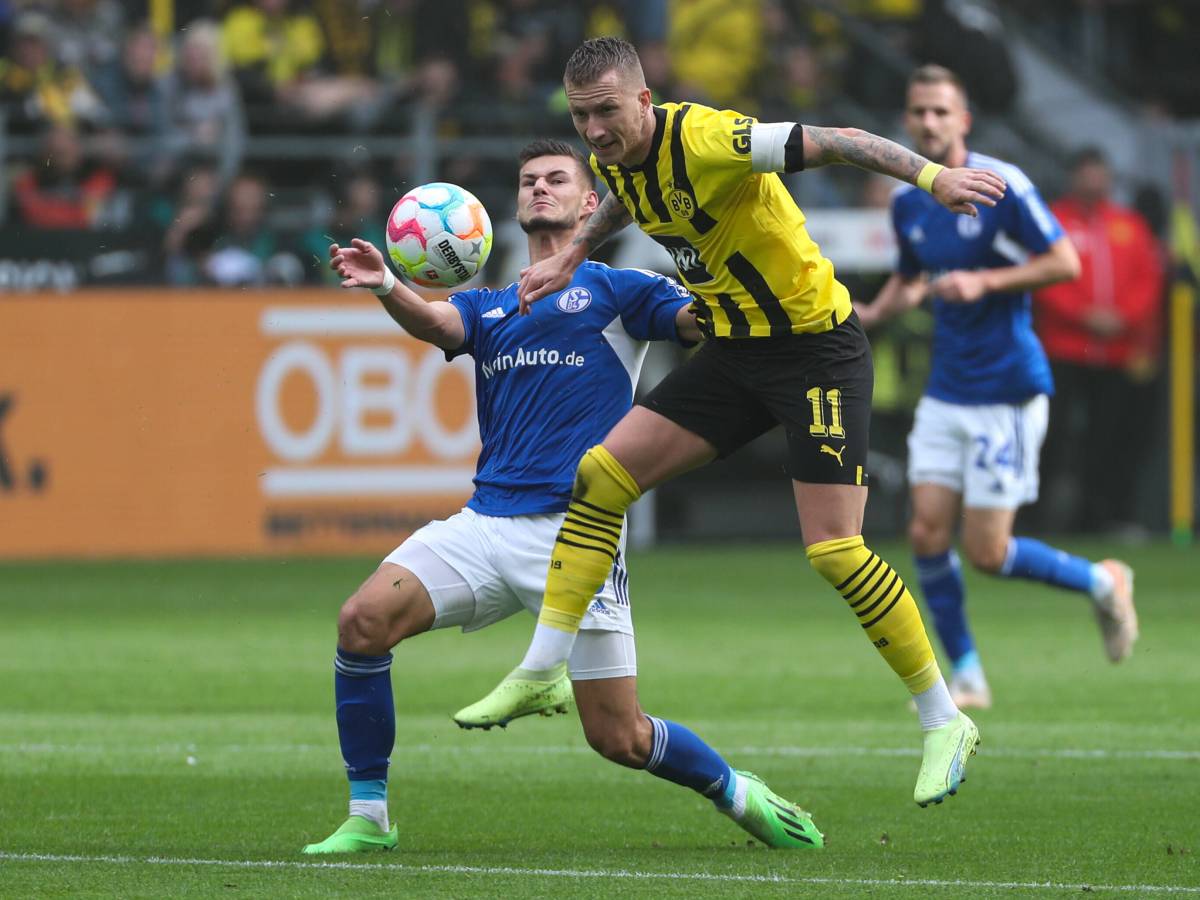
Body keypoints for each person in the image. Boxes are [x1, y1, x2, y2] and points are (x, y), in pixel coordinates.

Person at [466, 36, 1008, 809]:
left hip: (815, 349)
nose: (592, 131)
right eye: (581, 116)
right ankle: (544, 669)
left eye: (606, 112)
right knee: (601, 476)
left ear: (644, 101)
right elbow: (624, 194)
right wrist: (572, 253)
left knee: (834, 550)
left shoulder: (709, 138)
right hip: (734, 350)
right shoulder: (617, 153)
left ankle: (944, 718)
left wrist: (934, 175)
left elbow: (840, 140)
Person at [301, 138, 825, 855]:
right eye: (527, 181)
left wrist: (732, 282)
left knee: (618, 735)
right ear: (510, 208)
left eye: (556, 178)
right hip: (484, 526)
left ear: (591, 204)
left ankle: (737, 791)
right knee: (361, 621)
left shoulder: (620, 288)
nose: (539, 188)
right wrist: (389, 283)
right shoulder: (490, 307)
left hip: (575, 538)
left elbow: (699, 323)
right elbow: (437, 324)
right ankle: (369, 816)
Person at [854, 66, 1138, 709]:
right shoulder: (908, 200)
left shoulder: (1001, 185)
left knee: (986, 551)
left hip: (1006, 388)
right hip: (947, 389)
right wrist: (870, 314)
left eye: (939, 112)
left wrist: (986, 282)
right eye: (918, 111)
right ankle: (969, 676)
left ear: (964, 121)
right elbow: (909, 278)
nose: (927, 123)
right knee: (926, 532)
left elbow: (1064, 261)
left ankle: (1101, 580)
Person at [1035, 147, 1165, 534]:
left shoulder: (1129, 224)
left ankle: (1102, 518)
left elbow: (1148, 278)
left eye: (1100, 173)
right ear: (1075, 176)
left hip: (1118, 353)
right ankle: (1038, 519)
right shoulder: (1052, 220)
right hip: (1064, 350)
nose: (1094, 181)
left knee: (1110, 439)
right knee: (1051, 436)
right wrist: (1084, 315)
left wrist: (1122, 317)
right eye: (1086, 173)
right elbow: (1042, 277)